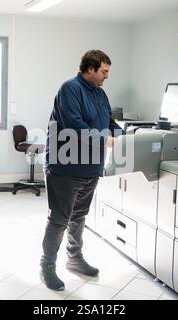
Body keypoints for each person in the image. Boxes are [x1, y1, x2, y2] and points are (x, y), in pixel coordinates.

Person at [40, 49, 124, 291]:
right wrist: (105, 140)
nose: (106, 77)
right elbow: (74, 126)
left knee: (78, 216)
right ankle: (47, 266)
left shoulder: (101, 94)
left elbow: (109, 122)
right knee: (59, 219)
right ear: (90, 68)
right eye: (104, 72)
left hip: (90, 168)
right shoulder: (70, 89)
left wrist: (125, 137)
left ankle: (74, 259)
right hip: (65, 166)